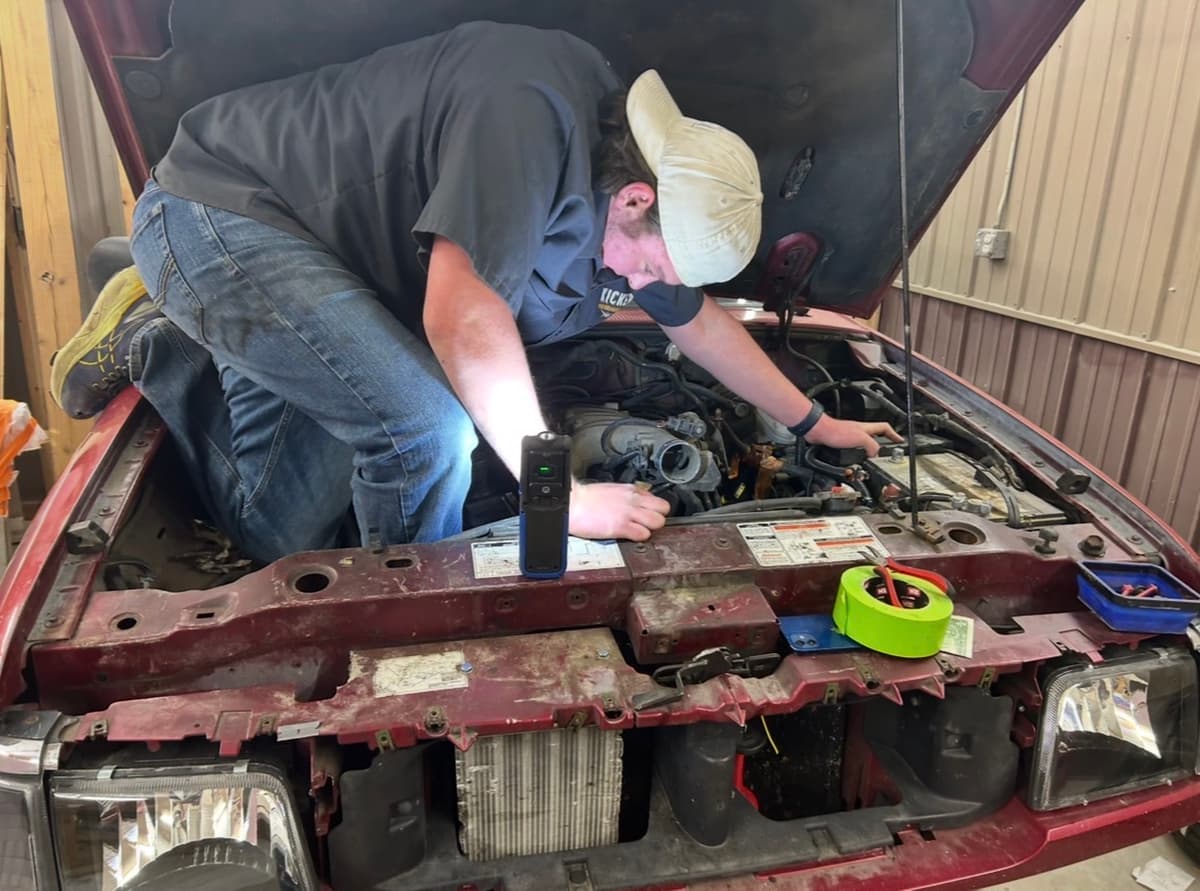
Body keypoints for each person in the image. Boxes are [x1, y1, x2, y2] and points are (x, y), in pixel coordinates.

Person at [50, 22, 898, 564]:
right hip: (225, 211)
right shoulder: (528, 108)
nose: (649, 290)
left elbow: (701, 323)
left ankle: (192, 340)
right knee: (424, 427)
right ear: (639, 199)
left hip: (339, 277)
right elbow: (462, 322)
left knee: (281, 530)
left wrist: (816, 424)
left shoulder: (631, 197)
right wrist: (555, 497)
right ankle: (159, 339)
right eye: (655, 268)